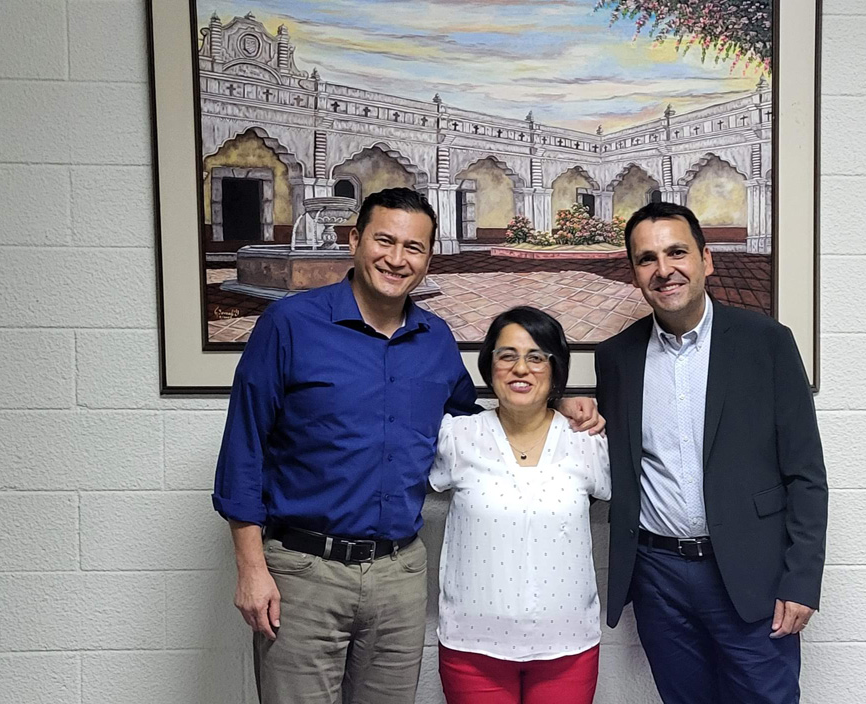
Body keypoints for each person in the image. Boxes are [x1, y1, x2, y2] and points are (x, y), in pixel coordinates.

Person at [212, 187, 603, 704]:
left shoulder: (435, 338)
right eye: (384, 241)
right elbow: (244, 449)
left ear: (428, 258)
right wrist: (251, 569)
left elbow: (479, 423)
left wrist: (561, 401)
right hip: (303, 573)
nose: (397, 259)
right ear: (354, 240)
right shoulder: (290, 324)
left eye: (413, 248)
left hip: (398, 577)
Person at [595, 201, 827, 704]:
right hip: (658, 580)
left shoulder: (766, 342)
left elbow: (806, 473)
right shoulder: (617, 357)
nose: (664, 270)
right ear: (635, 272)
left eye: (677, 252)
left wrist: (802, 580)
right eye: (647, 259)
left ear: (707, 259)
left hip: (749, 576)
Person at [429, 306, 610, 704]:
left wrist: (570, 406)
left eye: (536, 357)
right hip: (472, 648)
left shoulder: (588, 442)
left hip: (568, 648)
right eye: (506, 355)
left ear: (555, 367)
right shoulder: (456, 436)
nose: (520, 369)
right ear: (489, 365)